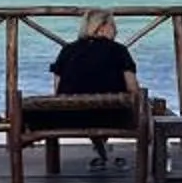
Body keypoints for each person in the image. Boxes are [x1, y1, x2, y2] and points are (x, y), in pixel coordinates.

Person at [49, 9, 140, 165]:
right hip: (114, 118)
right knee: (146, 109)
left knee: (91, 103)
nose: (116, 31)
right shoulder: (119, 50)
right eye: (113, 26)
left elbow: (58, 89)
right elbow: (132, 88)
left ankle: (102, 152)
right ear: (102, 27)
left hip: (69, 118)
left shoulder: (67, 50)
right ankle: (160, 158)